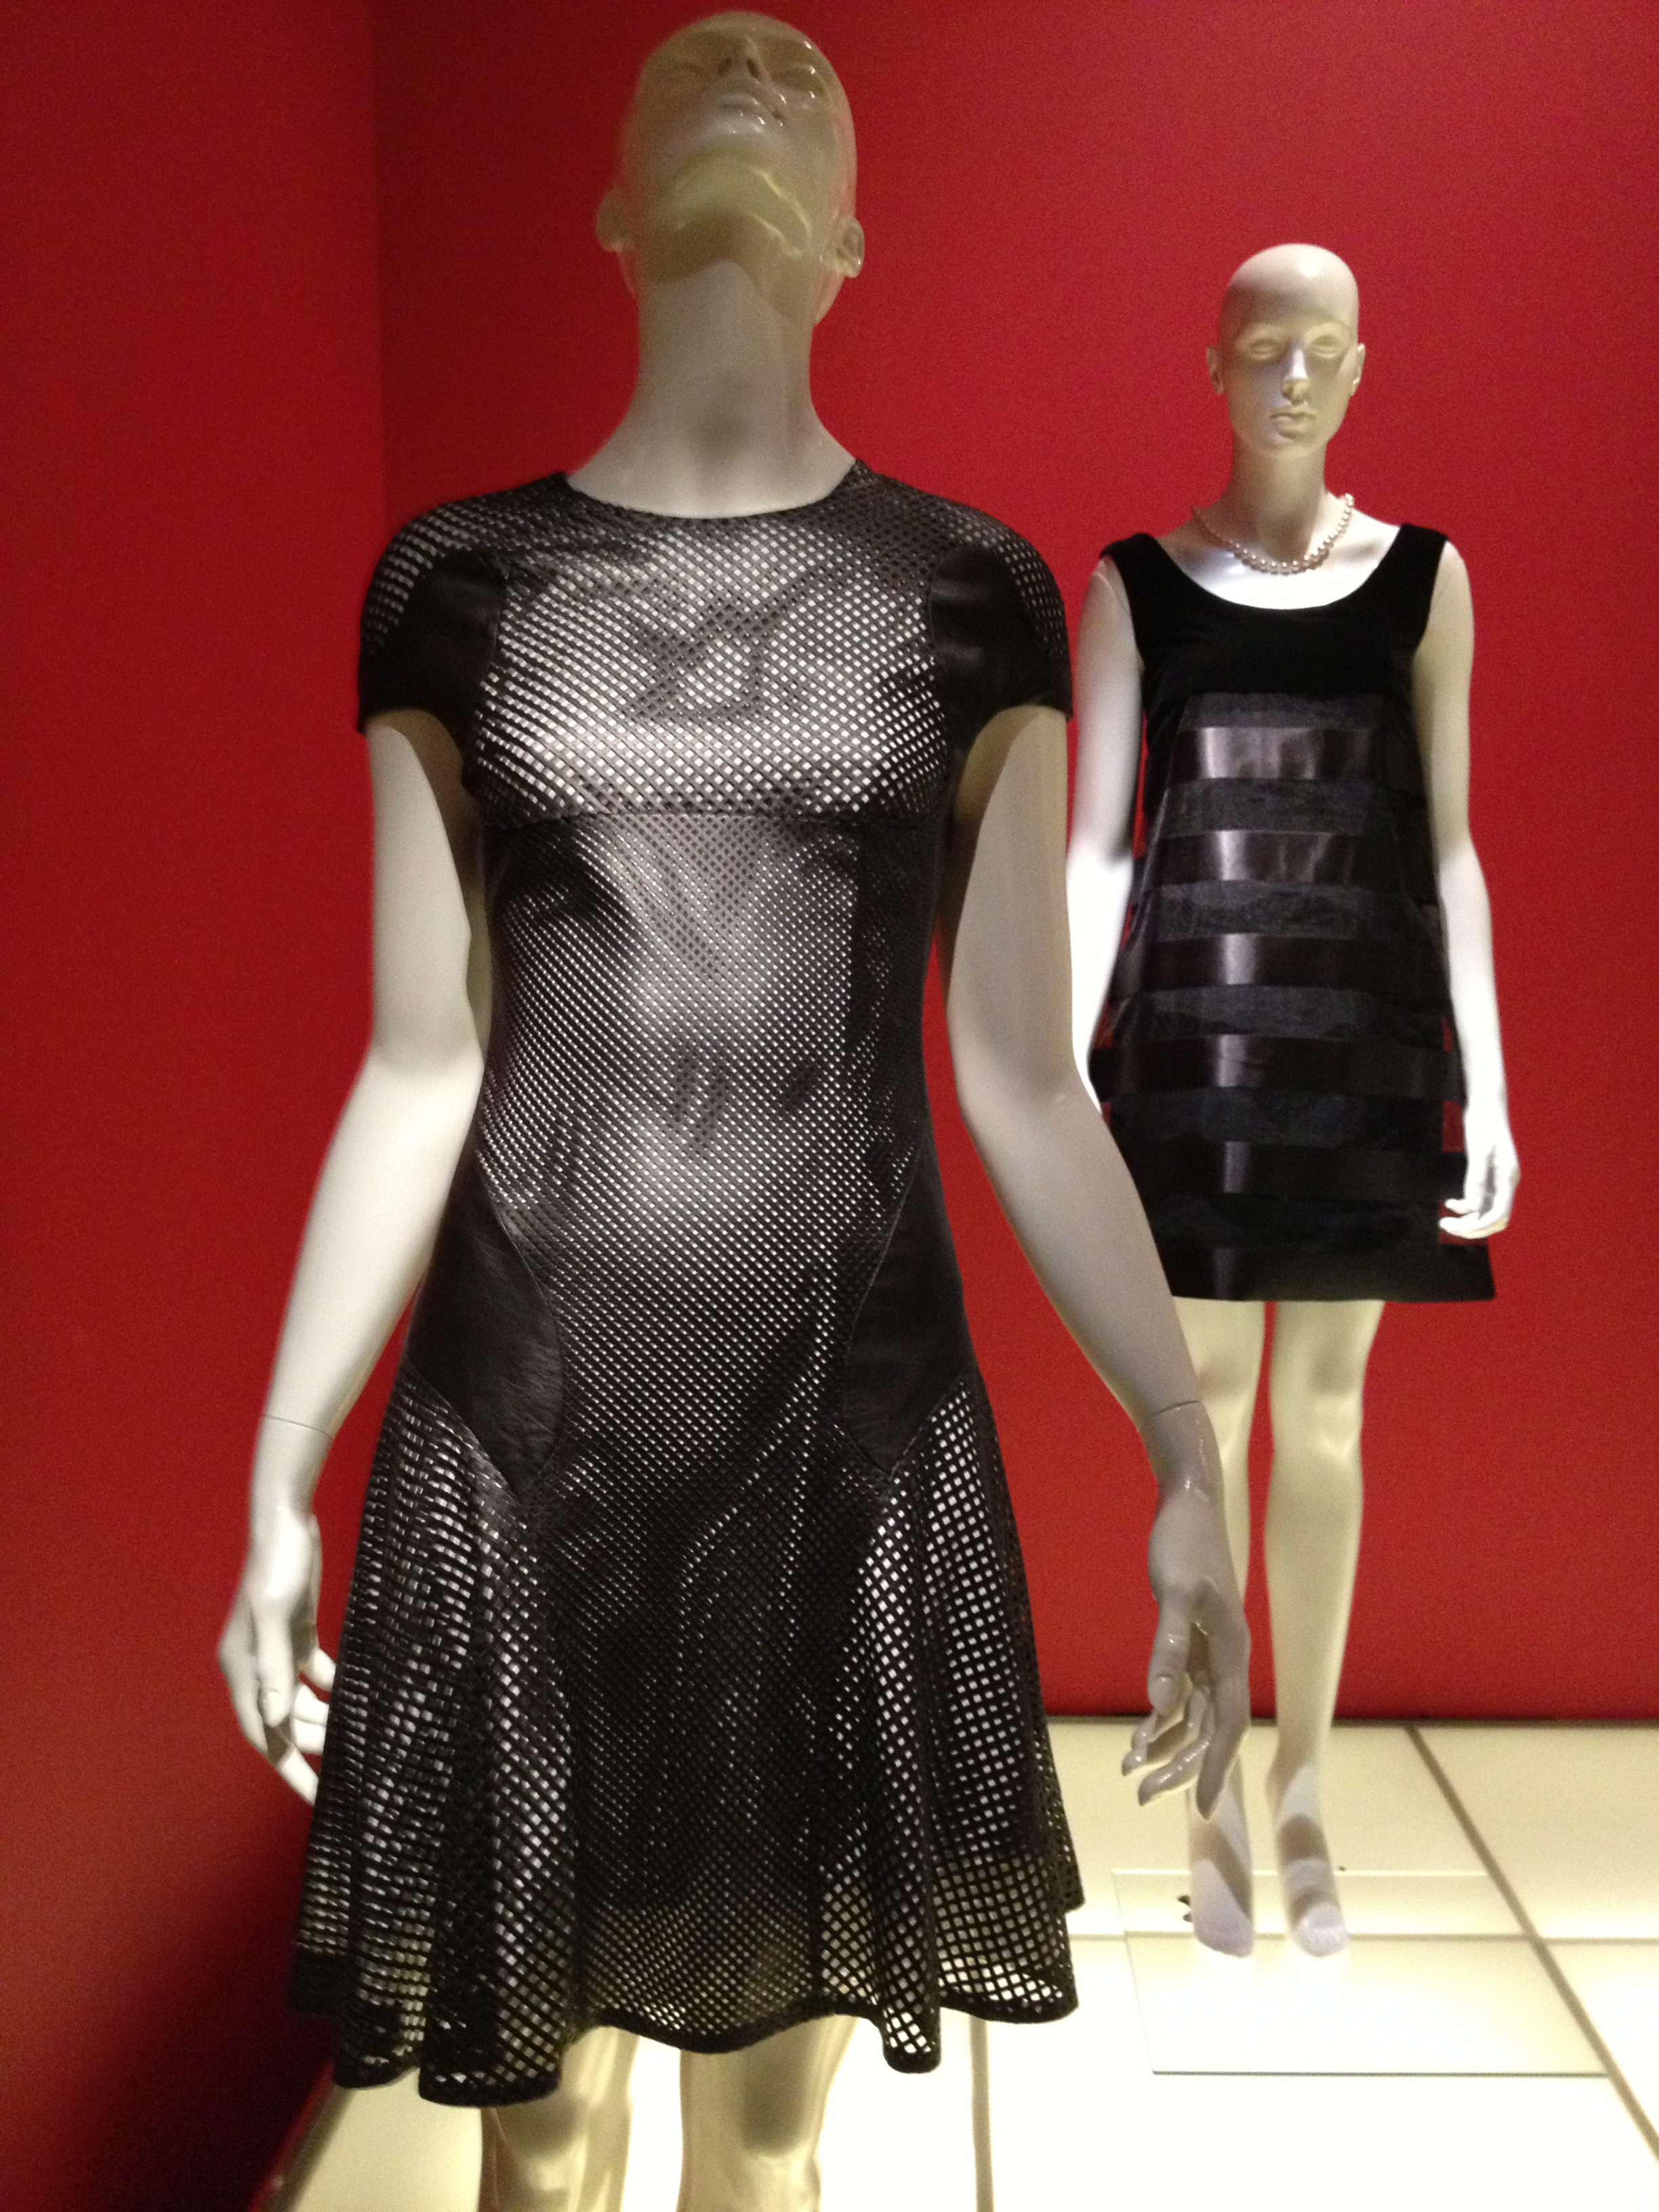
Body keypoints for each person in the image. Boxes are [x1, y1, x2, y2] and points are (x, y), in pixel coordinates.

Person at [220, 18, 1248, 2209]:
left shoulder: (963, 594)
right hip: (521, 1439)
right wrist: (280, 1461)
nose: (754, 64)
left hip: (839, 1434)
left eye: (804, 82)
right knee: (539, 2128)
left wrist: (1181, 1444)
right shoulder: (459, 589)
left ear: (854, 242)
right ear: (608, 211)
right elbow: (419, 1057)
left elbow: (1018, 1071)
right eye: (701, 72)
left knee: (763, 2146)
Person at [1066, 243, 1516, 1961]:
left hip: (1366, 1051)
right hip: (1192, 1058)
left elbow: (1451, 846)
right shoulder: (1135, 587)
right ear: (1216, 365)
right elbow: (1098, 849)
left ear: (1362, 364)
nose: (1296, 378)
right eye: (1264, 347)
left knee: (1326, 1423)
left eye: (1325, 347)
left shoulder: (1425, 582)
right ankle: (1211, 1798)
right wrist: (1065, 1067)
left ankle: (1308, 1781)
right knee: (1207, 1425)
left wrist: (1491, 1080)